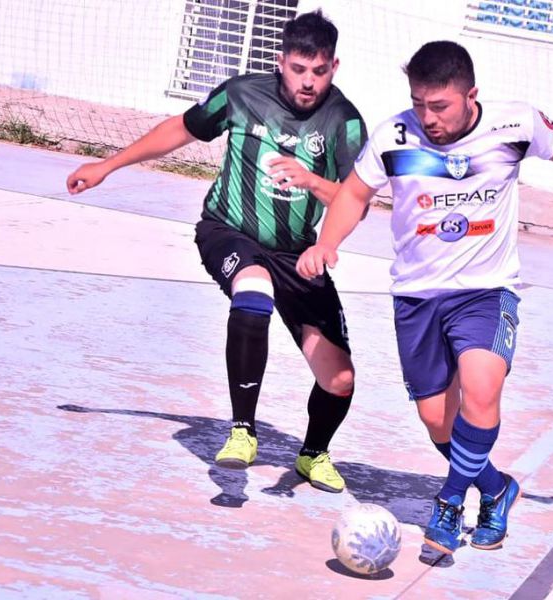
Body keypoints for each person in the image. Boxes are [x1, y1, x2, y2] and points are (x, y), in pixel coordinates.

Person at [296, 41, 553, 552]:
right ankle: (497, 488)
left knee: (481, 391)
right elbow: (353, 192)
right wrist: (327, 243)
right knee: (438, 420)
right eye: (419, 103)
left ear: (470, 95)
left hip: (486, 291)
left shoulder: (515, 126)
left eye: (439, 105)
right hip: (416, 297)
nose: (427, 117)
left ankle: (449, 504)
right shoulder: (394, 135)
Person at [66, 10, 367, 494]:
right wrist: (108, 165)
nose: (308, 82)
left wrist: (313, 184)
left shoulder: (344, 122)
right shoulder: (243, 94)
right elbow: (180, 130)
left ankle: (313, 454)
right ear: (280, 61)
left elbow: (357, 200)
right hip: (229, 231)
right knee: (253, 290)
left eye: (319, 71)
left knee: (340, 380)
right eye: (298, 69)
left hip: (297, 255)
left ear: (335, 66)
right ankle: (242, 431)